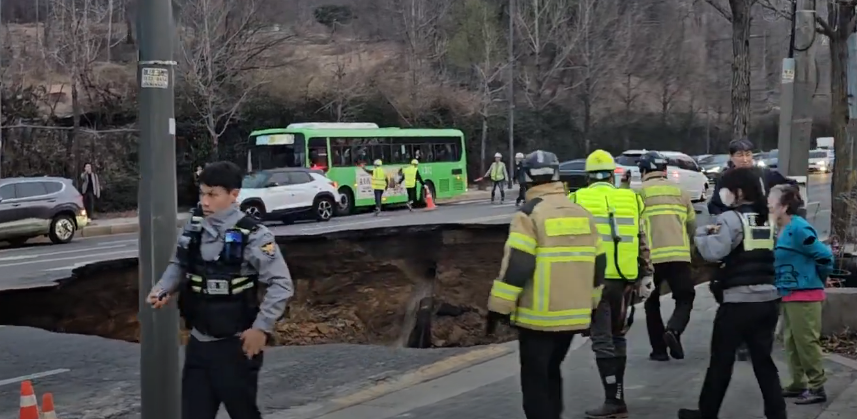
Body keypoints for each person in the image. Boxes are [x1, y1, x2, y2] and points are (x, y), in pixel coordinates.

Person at [146, 161, 293, 419]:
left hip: (236, 346)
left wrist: (261, 328)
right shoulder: (193, 228)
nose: (205, 201)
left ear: (234, 195)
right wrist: (163, 288)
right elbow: (179, 263)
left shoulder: (254, 235)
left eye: (213, 194)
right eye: (202, 193)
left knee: (243, 413)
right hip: (199, 343)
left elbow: (281, 284)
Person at [486, 150, 606, 419]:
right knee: (552, 371)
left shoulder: (528, 215)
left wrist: (498, 308)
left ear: (525, 179)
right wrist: (593, 306)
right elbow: (599, 264)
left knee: (535, 379)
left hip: (538, 318)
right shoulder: (582, 213)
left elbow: (518, 265)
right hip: (574, 316)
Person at [678, 167, 785, 419]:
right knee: (764, 363)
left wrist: (703, 232)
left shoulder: (730, 219)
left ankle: (707, 413)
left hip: (738, 302)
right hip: (768, 300)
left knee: (721, 362)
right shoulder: (765, 219)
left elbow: (712, 252)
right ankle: (777, 413)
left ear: (739, 192)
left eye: (727, 189)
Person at [570, 149, 653, 419]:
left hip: (596, 281)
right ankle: (617, 397)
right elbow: (642, 239)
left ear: (587, 176)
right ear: (613, 175)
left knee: (602, 340)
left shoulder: (576, 199)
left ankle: (613, 401)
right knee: (617, 337)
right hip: (625, 281)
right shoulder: (632, 199)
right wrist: (647, 274)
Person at [708, 138, 795, 362]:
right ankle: (743, 338)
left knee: (760, 278)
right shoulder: (726, 178)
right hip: (736, 234)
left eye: (748, 154)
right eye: (740, 155)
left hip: (761, 232)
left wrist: (777, 209)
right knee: (732, 281)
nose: (745, 159)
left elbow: (789, 186)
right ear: (731, 157)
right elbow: (715, 204)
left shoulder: (764, 175)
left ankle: (752, 339)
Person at [769, 184, 834, 405]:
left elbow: (825, 256)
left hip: (805, 294)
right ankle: (798, 383)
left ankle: (817, 386)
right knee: (792, 341)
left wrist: (818, 279)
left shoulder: (799, 229)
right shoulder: (782, 229)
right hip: (788, 293)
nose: (768, 206)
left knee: (806, 342)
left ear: (784, 206)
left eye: (772, 203)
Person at [634, 151, 697, 361]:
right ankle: (674, 329)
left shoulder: (639, 193)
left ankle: (659, 350)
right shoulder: (681, 191)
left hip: (650, 257)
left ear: (643, 171)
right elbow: (691, 224)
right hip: (679, 256)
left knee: (651, 303)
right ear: (665, 170)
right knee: (685, 297)